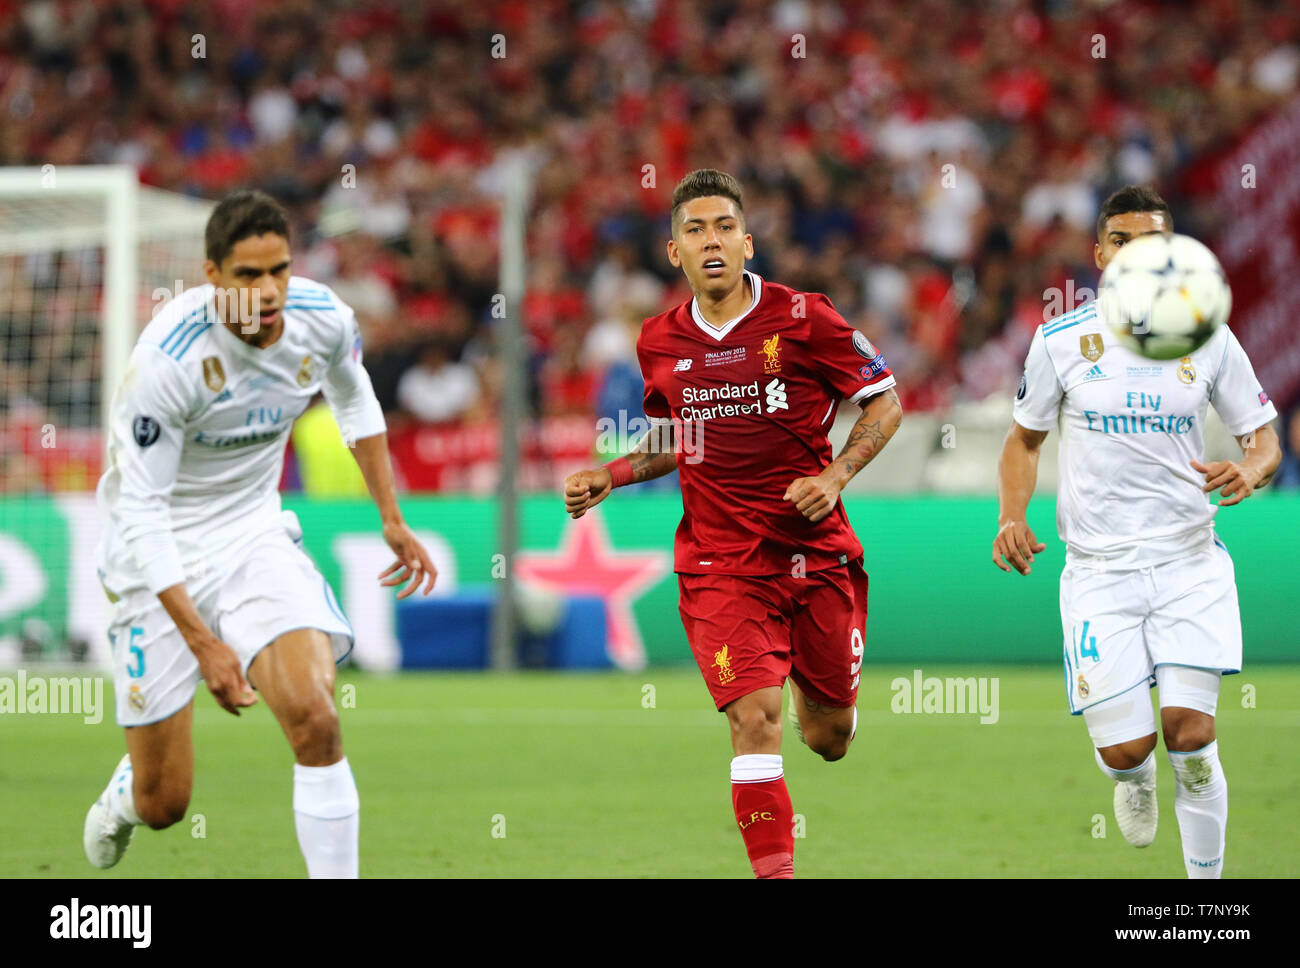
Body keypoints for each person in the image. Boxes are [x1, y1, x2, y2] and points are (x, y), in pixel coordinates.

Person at [85, 189, 437, 877]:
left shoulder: (322, 318)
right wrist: (204, 642)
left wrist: (391, 517)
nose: (270, 291)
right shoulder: (167, 362)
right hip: (156, 556)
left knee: (316, 718)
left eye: (279, 269)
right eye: (249, 276)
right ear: (212, 276)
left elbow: (353, 395)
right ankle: (130, 789)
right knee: (166, 803)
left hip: (252, 534)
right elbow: (143, 512)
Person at [563, 169, 902, 878]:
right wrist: (612, 476)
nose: (710, 240)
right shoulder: (658, 341)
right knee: (754, 720)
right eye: (695, 229)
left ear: (747, 243)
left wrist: (835, 475)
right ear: (673, 252)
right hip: (721, 565)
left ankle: (829, 699)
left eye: (723, 227)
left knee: (828, 735)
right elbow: (677, 439)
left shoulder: (807, 317)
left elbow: (884, 404)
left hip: (816, 556)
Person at [993, 185, 1281, 878]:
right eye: (1122, 240)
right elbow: (1024, 443)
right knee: (1129, 751)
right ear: (1100, 255)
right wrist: (1011, 515)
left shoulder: (1208, 337)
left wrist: (1252, 469)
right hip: (1099, 572)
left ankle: (1203, 902)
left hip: (1189, 564)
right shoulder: (1062, 341)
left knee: (1192, 735)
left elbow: (1264, 439)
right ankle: (1130, 777)